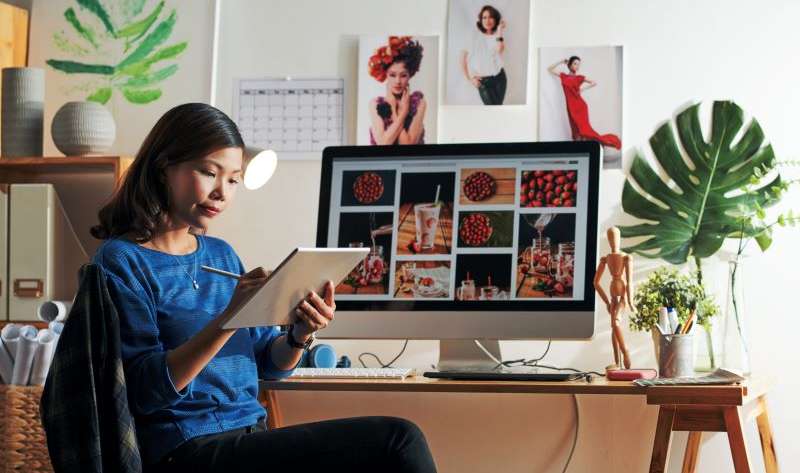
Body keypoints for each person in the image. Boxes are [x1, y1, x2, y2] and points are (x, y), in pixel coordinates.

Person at [90, 103, 438, 473]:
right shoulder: (122, 261)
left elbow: (268, 365)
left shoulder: (221, 255)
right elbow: (144, 391)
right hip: (184, 448)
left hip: (249, 435)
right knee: (399, 440)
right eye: (209, 173)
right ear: (164, 169)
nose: (221, 192)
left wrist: (300, 334)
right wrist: (228, 319)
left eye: (233, 179)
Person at [548, 56, 621, 149]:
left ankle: (590, 147)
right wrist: (561, 61)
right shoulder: (563, 76)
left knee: (584, 130)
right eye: (575, 64)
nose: (577, 66)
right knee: (575, 129)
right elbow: (550, 69)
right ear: (569, 65)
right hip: (570, 107)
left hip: (580, 106)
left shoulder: (579, 78)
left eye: (578, 64)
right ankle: (580, 150)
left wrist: (582, 89)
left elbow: (594, 82)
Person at [368, 36, 427, 145]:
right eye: (392, 75)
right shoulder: (375, 104)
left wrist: (401, 112)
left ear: (410, 75)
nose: (398, 81)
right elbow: (384, 144)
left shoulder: (418, 103)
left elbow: (408, 145)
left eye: (403, 75)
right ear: (386, 75)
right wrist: (395, 108)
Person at [461, 5, 507, 105]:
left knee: (498, 109)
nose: (487, 20)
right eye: (484, 17)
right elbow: (462, 59)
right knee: (491, 111)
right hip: (483, 82)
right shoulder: (474, 35)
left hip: (500, 78)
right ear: (481, 20)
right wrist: (470, 79)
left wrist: (499, 31)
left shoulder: (497, 36)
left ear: (495, 19)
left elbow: (500, 50)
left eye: (491, 17)